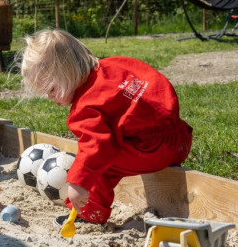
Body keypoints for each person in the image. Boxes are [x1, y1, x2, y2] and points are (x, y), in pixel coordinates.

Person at [20, 29, 193, 225]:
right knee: (112, 145)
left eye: (51, 89)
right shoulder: (116, 64)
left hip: (152, 151)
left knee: (102, 163)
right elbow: (153, 81)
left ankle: (90, 213)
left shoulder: (85, 108)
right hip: (180, 137)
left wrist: (79, 182)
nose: (49, 97)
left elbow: (96, 148)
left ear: (68, 74)